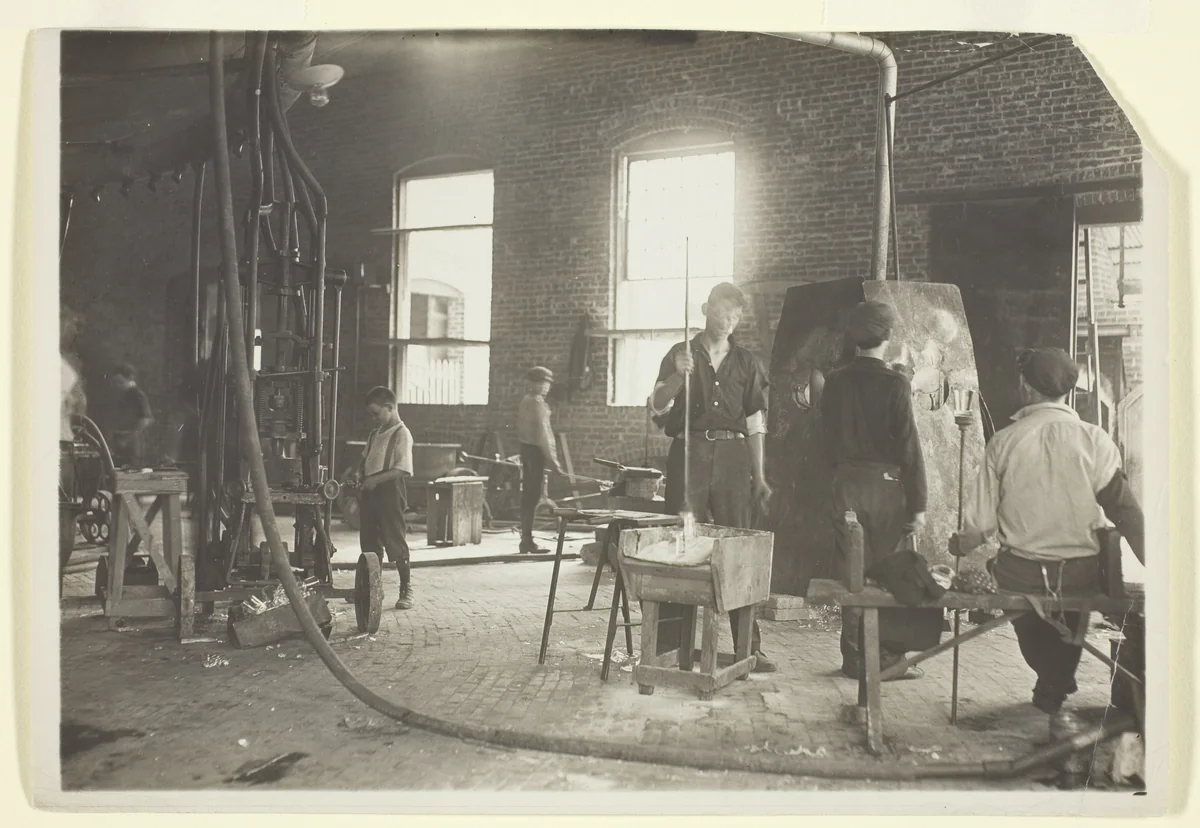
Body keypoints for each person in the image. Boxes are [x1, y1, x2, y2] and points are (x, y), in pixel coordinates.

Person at [950, 347, 1145, 717]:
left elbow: (980, 527)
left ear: (1025, 386)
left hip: (1019, 575)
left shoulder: (1003, 443)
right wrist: (1161, 564)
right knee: (1074, 604)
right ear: (1068, 391)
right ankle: (1055, 678)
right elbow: (1126, 513)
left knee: (1019, 596)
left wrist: (961, 543)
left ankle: (1051, 677)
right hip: (1079, 573)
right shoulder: (1096, 441)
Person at [648, 281, 776, 673]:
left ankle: (747, 646)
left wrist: (760, 475)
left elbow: (755, 424)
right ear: (706, 309)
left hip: (735, 460)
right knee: (681, 544)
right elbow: (656, 405)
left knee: (738, 546)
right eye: (722, 312)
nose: (728, 321)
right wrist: (677, 377)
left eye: (735, 316)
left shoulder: (748, 363)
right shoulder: (678, 354)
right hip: (689, 455)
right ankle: (669, 646)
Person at [819, 301, 930, 681]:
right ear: (887, 337)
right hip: (885, 489)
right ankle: (882, 660)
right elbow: (908, 448)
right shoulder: (896, 383)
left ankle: (853, 658)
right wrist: (918, 505)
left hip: (846, 485)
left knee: (854, 575)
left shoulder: (834, 381)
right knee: (890, 574)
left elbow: (826, 441)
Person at [359, 386, 415, 610]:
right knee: (369, 542)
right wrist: (360, 474)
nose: (374, 419)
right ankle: (373, 590)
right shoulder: (375, 433)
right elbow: (366, 458)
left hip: (390, 491)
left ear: (390, 408)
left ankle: (406, 589)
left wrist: (375, 480)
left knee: (394, 539)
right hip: (370, 492)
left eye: (376, 413)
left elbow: (402, 469)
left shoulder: (402, 433)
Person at [516, 366, 562, 554]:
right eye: (541, 383)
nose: (545, 387)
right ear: (532, 383)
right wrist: (553, 461)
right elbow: (545, 435)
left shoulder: (526, 401)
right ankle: (527, 541)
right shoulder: (537, 403)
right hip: (535, 452)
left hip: (526, 450)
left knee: (529, 496)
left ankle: (526, 539)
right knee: (532, 496)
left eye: (547, 384)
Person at [108, 362, 154, 468]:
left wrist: (127, 439)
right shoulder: (123, 395)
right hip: (121, 444)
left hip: (133, 445)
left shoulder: (139, 396)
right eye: (116, 382)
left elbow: (146, 420)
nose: (117, 385)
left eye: (120, 381)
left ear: (130, 379)